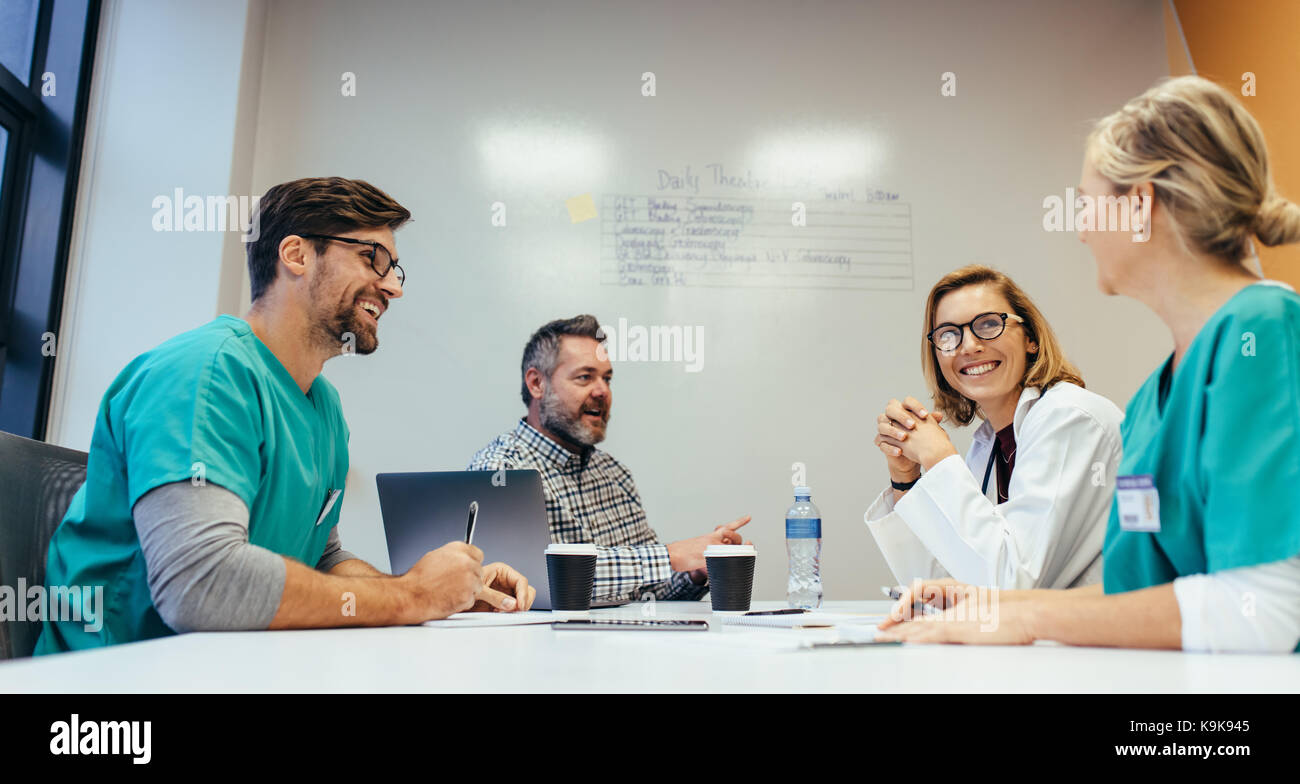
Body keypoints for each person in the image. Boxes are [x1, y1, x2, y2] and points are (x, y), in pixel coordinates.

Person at [879, 76, 1300, 653]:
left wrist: (1027, 618)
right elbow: (1138, 595)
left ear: (1140, 206)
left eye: (1087, 206)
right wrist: (994, 604)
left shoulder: (1265, 331)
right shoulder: (1158, 394)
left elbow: (1267, 611)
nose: (1078, 231)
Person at [36, 177, 533, 655]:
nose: (392, 288)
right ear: (295, 254)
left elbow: (321, 559)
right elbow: (200, 585)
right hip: (121, 677)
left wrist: (441, 592)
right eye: (371, 258)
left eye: (393, 270)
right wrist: (411, 598)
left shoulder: (325, 408)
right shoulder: (205, 374)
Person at [865, 265, 1123, 589]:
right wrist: (905, 478)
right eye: (948, 334)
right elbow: (938, 584)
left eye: (988, 324)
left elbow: (1012, 584)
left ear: (1030, 338)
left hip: (1099, 637)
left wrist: (940, 459)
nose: (968, 346)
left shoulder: (1071, 419)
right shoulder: (990, 446)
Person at [468, 315, 751, 604]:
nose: (603, 390)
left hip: (624, 646)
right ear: (537, 383)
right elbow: (527, 585)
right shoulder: (500, 471)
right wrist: (670, 555)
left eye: (607, 378)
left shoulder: (614, 474)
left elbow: (649, 592)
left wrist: (696, 570)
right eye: (585, 377)